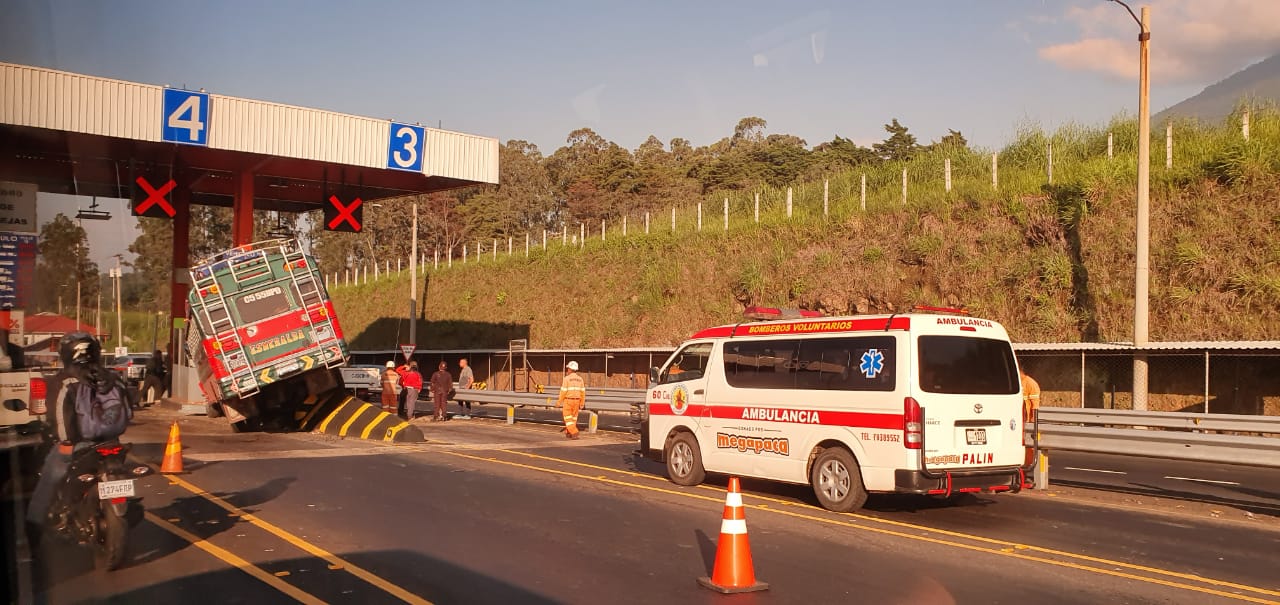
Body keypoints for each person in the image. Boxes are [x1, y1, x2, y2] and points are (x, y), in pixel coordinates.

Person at [26, 332, 128, 548]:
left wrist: (65, 442)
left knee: (47, 483)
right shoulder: (111, 376)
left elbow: (58, 417)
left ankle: (31, 539)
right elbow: (128, 409)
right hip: (112, 443)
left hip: (77, 445)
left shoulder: (64, 380)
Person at [558, 360, 586, 440]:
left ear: (570, 369)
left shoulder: (566, 379)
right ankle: (568, 432)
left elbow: (563, 391)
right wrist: (582, 402)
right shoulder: (580, 379)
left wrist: (559, 402)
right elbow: (583, 392)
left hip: (568, 401)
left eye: (568, 368)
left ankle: (574, 432)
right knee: (573, 418)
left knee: (567, 418)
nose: (567, 370)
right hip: (577, 401)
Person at [1021, 369, 1042, 469]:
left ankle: (1027, 467)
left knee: (1029, 448)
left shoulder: (1031, 383)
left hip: (1027, 422)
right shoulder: (1015, 382)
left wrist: (1033, 422)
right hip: (1018, 422)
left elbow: (1035, 406)